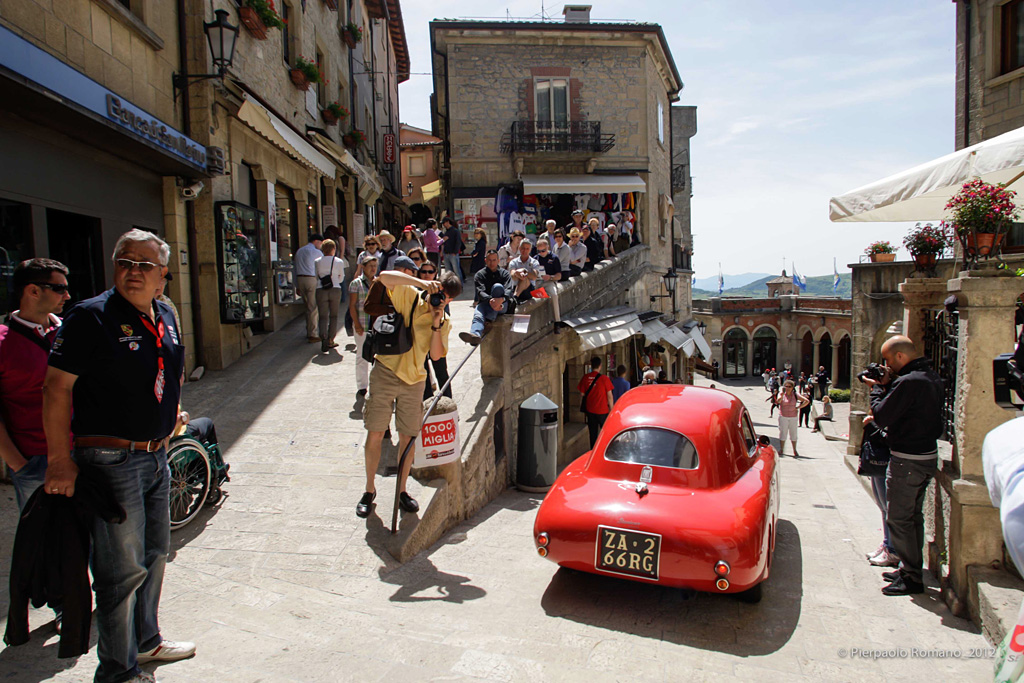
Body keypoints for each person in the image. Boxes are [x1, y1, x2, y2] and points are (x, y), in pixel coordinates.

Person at [44, 229, 194, 683]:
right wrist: (58, 460)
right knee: (118, 574)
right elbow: (55, 389)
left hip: (156, 456)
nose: (133, 271)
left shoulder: (164, 312)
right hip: (110, 461)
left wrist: (170, 415)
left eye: (145, 265)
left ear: (163, 276)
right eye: (125, 262)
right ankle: (117, 670)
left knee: (154, 555)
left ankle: (145, 643)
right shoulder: (90, 317)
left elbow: (171, 368)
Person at [357, 269, 461, 518]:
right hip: (386, 371)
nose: (438, 299)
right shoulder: (411, 295)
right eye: (438, 293)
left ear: (450, 301)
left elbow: (436, 355)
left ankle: (401, 491)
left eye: (444, 297)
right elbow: (384, 277)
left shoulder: (444, 322)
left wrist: (436, 322)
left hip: (414, 382)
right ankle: (369, 490)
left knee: (408, 438)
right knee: (375, 432)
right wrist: (422, 283)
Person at [863, 335, 944, 596]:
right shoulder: (930, 377)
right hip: (926, 456)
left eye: (888, 360)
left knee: (898, 518)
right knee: (913, 517)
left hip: (907, 460)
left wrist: (877, 387)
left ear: (900, 356)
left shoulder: (909, 382)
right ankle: (911, 569)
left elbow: (882, 415)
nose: (887, 366)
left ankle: (911, 578)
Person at [0, 258, 71, 512]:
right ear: (33, 290)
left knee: (94, 542)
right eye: (60, 289)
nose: (67, 295)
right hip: (36, 461)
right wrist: (18, 464)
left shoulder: (73, 331)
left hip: (87, 453)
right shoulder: (3, 341)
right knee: (46, 544)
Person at [460, 250, 514, 346]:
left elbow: (509, 290)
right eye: (489, 260)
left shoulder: (505, 274)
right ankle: (475, 335)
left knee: (497, 287)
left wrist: (501, 300)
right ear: (485, 260)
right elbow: (480, 292)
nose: (491, 263)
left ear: (498, 260)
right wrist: (491, 300)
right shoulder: (480, 275)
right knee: (478, 314)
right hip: (486, 303)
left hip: (503, 304)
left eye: (494, 260)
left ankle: (489, 318)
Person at [416, 260, 451, 401]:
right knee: (424, 375)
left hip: (437, 334)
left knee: (442, 373)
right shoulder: (414, 291)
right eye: (424, 271)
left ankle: (448, 403)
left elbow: (445, 315)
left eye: (430, 271)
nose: (427, 275)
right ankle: (427, 405)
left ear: (435, 273)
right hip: (420, 338)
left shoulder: (441, 292)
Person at [348, 256, 377, 397]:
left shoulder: (378, 282)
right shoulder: (356, 283)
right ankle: (362, 385)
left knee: (378, 357)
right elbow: (352, 305)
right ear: (364, 267)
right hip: (363, 323)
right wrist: (357, 324)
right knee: (362, 355)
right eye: (370, 265)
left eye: (375, 265)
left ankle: (376, 384)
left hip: (377, 325)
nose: (373, 268)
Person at [314, 239, 346, 353]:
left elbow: (316, 276)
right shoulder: (338, 261)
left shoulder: (317, 261)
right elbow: (341, 278)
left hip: (321, 289)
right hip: (335, 288)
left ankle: (323, 337)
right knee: (334, 315)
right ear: (334, 249)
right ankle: (331, 339)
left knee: (322, 316)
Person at [579, 356, 615, 448]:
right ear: (600, 366)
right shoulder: (604, 379)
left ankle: (593, 451)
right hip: (603, 410)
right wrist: (612, 409)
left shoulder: (585, 377)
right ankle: (603, 449)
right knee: (604, 432)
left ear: (591, 366)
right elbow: (610, 396)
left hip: (590, 410)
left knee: (593, 433)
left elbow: (582, 394)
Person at [294, 233, 324, 343]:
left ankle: (309, 330)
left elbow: (295, 268)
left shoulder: (299, 251)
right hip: (311, 279)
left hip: (300, 279)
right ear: (316, 241)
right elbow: (321, 267)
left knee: (307, 307)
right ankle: (313, 334)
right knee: (313, 307)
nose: (321, 246)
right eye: (320, 243)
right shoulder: (316, 252)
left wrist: (296, 284)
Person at [775, 379, 809, 457]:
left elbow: (806, 401)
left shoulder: (795, 395)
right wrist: (782, 395)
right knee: (783, 432)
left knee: (793, 433)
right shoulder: (782, 394)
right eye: (786, 386)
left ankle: (794, 449)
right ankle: (782, 449)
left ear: (792, 387)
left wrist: (798, 407)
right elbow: (778, 401)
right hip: (783, 416)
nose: (787, 388)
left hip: (793, 416)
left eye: (789, 387)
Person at [507, 238, 541, 302]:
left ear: (530, 250)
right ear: (519, 248)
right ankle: (515, 297)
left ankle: (515, 297)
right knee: (523, 278)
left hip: (529, 290)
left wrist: (525, 272)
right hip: (515, 287)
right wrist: (518, 274)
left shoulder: (534, 262)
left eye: (527, 249)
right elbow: (512, 275)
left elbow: (534, 277)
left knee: (524, 278)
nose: (524, 251)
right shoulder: (513, 262)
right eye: (523, 248)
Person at [441, 217, 464, 282]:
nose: (443, 225)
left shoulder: (455, 231)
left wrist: (455, 252)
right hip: (446, 253)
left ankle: (460, 285)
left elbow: (458, 242)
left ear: (448, 222)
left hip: (453, 254)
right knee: (448, 272)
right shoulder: (446, 232)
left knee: (456, 271)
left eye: (444, 223)